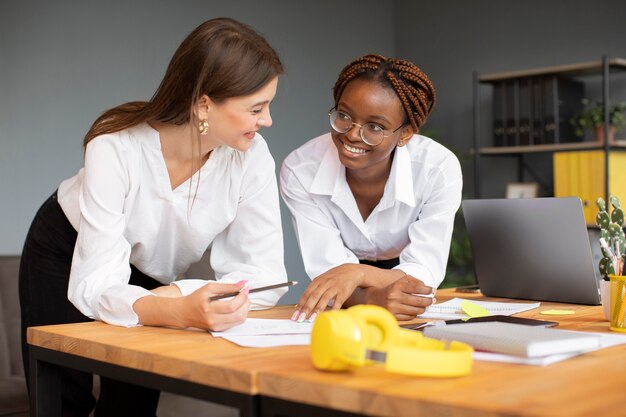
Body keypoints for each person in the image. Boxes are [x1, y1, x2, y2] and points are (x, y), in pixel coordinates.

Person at [19, 17, 287, 417]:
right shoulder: (114, 148)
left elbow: (265, 275)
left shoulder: (252, 157)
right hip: (69, 248)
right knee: (63, 397)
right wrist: (176, 308)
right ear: (203, 104)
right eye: (256, 108)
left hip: (151, 272)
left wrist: (177, 298)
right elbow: (97, 283)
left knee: (133, 401)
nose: (266, 121)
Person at [280, 54, 462, 322]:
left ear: (406, 134)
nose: (352, 134)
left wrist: (359, 274)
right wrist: (369, 300)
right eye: (344, 116)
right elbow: (328, 271)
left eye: (375, 127)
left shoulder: (437, 169)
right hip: (345, 300)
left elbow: (423, 274)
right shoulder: (300, 169)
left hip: (401, 291)